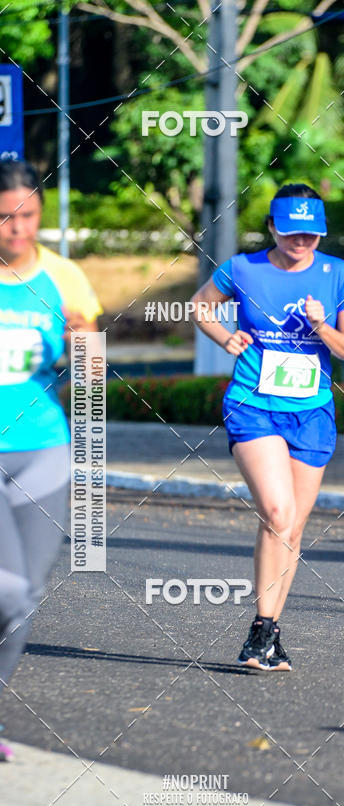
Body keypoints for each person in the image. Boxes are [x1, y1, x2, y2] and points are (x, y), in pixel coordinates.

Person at [192, 184, 344, 671]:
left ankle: (270, 634)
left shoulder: (338, 275)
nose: (301, 243)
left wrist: (321, 328)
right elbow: (201, 305)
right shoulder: (244, 268)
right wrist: (226, 337)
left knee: (292, 526)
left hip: (311, 413)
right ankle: (261, 630)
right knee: (276, 510)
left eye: (311, 235)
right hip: (253, 403)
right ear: (272, 228)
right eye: (292, 234)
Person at [0, 160, 102, 761]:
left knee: (25, 596)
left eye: (28, 216)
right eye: (6, 218)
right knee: (5, 591)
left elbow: (92, 376)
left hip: (43, 449)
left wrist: (79, 342)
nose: (18, 229)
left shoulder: (64, 277)